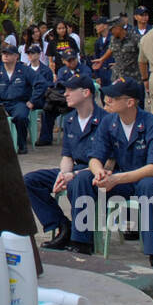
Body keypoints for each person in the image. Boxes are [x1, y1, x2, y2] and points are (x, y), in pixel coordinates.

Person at [65, 78, 153, 268]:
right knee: (83, 178)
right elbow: (95, 156)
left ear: (130, 102)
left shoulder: (151, 123)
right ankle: (81, 244)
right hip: (124, 180)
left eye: (113, 97)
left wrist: (116, 178)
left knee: (148, 186)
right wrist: (99, 172)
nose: (107, 100)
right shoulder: (109, 122)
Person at [25, 75, 104, 250]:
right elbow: (67, 156)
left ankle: (82, 240)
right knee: (31, 180)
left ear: (85, 93)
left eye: (70, 90)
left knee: (79, 182)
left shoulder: (105, 120)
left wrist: (72, 175)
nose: (65, 94)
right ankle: (62, 225)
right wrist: (63, 174)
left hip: (95, 172)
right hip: (73, 169)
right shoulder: (70, 120)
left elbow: (107, 163)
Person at [0, 44, 35, 154]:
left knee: (21, 117)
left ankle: (22, 144)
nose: (5, 56)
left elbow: (41, 84)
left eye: (9, 54)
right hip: (2, 103)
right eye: (4, 53)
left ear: (16, 56)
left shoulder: (25, 70)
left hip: (19, 102)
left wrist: (33, 100)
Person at [109, 20, 142, 85]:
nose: (111, 32)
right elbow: (110, 49)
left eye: (112, 30)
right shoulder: (113, 39)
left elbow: (144, 55)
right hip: (117, 78)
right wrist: (102, 59)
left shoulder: (135, 38)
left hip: (133, 78)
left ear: (118, 28)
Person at [88, 15, 113, 82]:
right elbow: (96, 58)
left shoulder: (113, 39)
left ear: (105, 25)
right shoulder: (98, 42)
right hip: (102, 73)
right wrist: (97, 76)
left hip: (113, 72)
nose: (96, 27)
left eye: (98, 24)